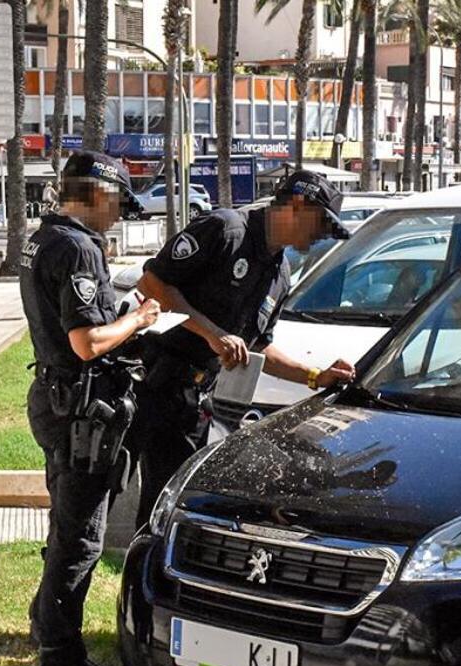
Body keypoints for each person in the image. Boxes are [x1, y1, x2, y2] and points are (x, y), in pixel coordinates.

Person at [129, 169, 359, 528]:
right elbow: (153, 283)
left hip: (195, 400)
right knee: (111, 501)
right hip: (150, 384)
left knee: (172, 502)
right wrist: (211, 333)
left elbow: (260, 347)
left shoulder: (279, 272)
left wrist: (316, 376)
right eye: (319, 225)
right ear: (295, 207)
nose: (319, 237)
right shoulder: (225, 229)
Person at [21, 151, 161, 666]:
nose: (121, 212)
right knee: (81, 539)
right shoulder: (79, 248)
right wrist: (141, 318)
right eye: (119, 201)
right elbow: (86, 341)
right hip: (81, 411)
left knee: (66, 524)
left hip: (56, 400)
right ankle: (60, 658)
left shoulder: (44, 238)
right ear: (96, 195)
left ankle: (44, 621)